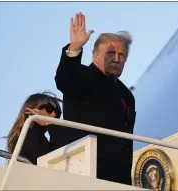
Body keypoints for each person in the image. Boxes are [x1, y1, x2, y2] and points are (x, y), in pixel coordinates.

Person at [51, 12, 136, 185]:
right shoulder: (83, 76)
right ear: (95, 55)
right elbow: (64, 80)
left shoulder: (126, 94)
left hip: (120, 179)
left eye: (122, 55)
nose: (117, 59)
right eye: (111, 53)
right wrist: (74, 48)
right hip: (87, 172)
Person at [5, 92, 62, 165]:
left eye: (58, 114)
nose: (53, 114)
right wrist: (51, 126)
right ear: (32, 108)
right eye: (49, 109)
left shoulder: (41, 138)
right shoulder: (25, 135)